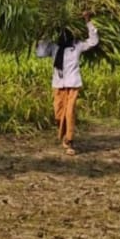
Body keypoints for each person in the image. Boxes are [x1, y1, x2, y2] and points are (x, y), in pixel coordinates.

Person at [35, 15, 99, 156]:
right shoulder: (54, 47)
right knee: (58, 113)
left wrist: (88, 21)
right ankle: (63, 136)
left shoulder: (77, 46)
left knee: (69, 113)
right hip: (58, 84)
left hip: (73, 84)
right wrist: (43, 33)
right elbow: (39, 53)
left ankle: (69, 141)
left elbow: (93, 41)